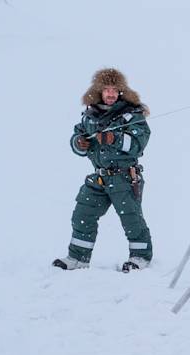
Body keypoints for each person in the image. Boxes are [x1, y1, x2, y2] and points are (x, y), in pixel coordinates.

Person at [53, 68, 152, 272]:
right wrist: (79, 143)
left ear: (121, 92)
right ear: (99, 91)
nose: (110, 94)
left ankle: (140, 258)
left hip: (124, 177)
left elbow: (138, 144)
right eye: (106, 89)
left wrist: (114, 138)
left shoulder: (131, 115)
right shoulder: (90, 116)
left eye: (114, 90)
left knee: (131, 218)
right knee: (83, 214)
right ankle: (78, 258)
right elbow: (77, 137)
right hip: (99, 177)